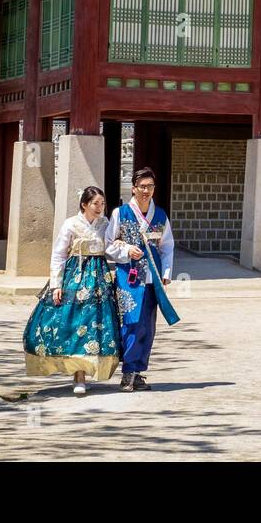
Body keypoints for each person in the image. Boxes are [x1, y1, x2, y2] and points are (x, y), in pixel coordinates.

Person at [23, 186, 121, 395]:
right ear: (84, 204)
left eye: (102, 204)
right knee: (73, 322)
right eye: (95, 203)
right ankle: (77, 374)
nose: (99, 208)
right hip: (75, 277)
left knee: (96, 324)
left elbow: (113, 247)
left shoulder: (106, 225)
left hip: (99, 278)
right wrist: (56, 285)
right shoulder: (71, 224)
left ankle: (88, 370)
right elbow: (58, 255)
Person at [105, 166, 175, 392]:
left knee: (148, 326)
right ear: (133, 188)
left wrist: (166, 274)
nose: (146, 191)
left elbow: (167, 247)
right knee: (131, 323)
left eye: (150, 186)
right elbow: (108, 244)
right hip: (128, 277)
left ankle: (138, 373)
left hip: (151, 278)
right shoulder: (120, 213)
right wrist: (125, 251)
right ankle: (128, 372)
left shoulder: (161, 215)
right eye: (142, 187)